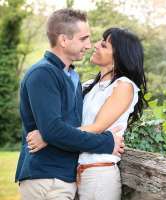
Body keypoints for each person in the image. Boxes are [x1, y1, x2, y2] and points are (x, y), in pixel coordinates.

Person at [15, 9, 124, 200]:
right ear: (64, 40)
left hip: (63, 177)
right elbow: (54, 130)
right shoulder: (43, 74)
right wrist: (106, 142)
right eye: (84, 39)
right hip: (46, 178)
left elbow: (60, 127)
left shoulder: (72, 76)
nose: (89, 45)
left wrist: (48, 134)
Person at [27, 27, 147, 200]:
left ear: (118, 57)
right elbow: (67, 121)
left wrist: (48, 137)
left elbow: (97, 127)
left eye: (104, 45)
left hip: (99, 174)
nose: (96, 45)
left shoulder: (123, 86)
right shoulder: (87, 85)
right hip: (75, 172)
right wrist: (51, 131)